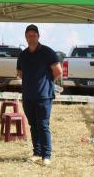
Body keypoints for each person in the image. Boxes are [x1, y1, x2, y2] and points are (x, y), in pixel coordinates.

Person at [17, 24, 62, 166]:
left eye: (34, 35)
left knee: (43, 125)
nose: (31, 38)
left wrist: (47, 83)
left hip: (44, 96)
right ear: (25, 37)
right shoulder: (23, 54)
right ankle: (36, 153)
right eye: (29, 35)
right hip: (28, 96)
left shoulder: (47, 52)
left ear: (38, 36)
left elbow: (58, 71)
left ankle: (46, 155)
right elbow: (19, 74)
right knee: (33, 125)